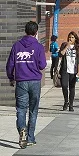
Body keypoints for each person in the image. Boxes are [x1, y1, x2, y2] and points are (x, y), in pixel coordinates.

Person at [6, 21, 47, 149]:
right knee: (33, 110)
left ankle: (22, 129)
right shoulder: (39, 47)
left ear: (25, 31)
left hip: (21, 82)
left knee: (21, 109)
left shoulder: (16, 46)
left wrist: (11, 78)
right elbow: (42, 65)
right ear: (36, 32)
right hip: (35, 82)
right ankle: (30, 138)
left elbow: (10, 65)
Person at [59, 31, 79, 112]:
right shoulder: (64, 45)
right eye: (69, 37)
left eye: (72, 37)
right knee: (64, 85)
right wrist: (67, 46)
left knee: (72, 87)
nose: (70, 39)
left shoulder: (78, 47)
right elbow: (60, 54)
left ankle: (71, 104)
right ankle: (66, 101)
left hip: (74, 70)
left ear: (75, 38)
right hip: (65, 69)